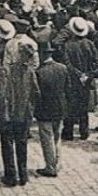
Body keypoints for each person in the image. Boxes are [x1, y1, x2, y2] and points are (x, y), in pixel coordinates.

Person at [0, 38, 40, 186]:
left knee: (7, 145)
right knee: (22, 145)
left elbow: (3, 94)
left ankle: (10, 176)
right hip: (24, 115)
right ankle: (23, 175)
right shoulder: (30, 72)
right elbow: (36, 92)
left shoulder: (8, 70)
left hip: (9, 114)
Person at [33, 42, 68, 177]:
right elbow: (67, 88)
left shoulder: (39, 72)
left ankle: (50, 166)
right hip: (60, 108)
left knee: (47, 139)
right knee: (57, 137)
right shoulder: (63, 68)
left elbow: (36, 94)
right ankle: (58, 163)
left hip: (45, 110)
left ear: (41, 55)